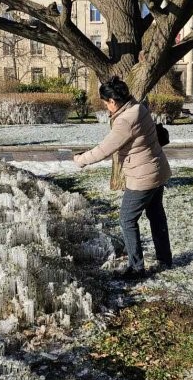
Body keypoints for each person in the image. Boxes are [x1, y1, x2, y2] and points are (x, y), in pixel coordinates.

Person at [73, 76, 172, 279]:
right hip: (157, 170)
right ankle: (165, 259)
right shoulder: (138, 107)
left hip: (142, 176)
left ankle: (136, 268)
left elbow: (104, 149)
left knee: (126, 219)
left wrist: (80, 160)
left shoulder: (126, 120)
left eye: (105, 102)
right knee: (156, 216)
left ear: (113, 101)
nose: (105, 106)